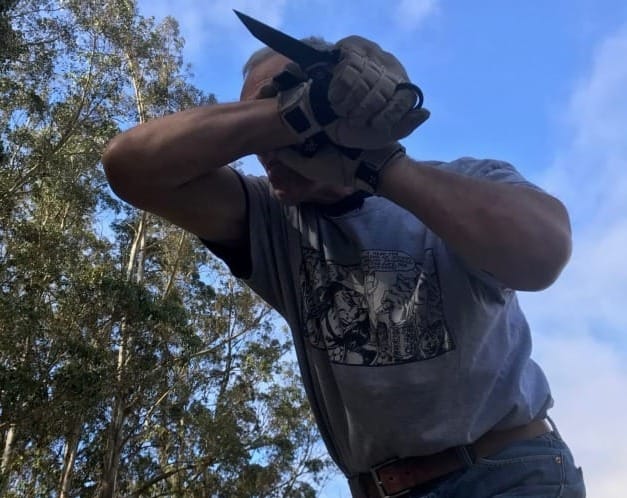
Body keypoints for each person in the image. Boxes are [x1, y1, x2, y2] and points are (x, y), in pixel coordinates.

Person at [102, 34, 586, 498]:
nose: (263, 144)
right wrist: (299, 111)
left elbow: (542, 255)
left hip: (508, 473)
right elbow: (130, 166)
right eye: (255, 120)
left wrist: (376, 164)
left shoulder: (462, 182)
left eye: (280, 103)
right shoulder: (270, 219)